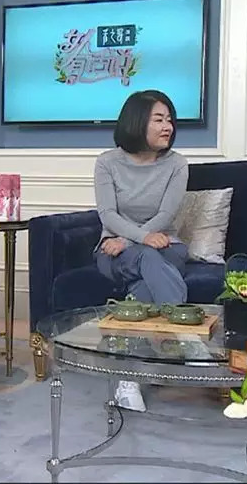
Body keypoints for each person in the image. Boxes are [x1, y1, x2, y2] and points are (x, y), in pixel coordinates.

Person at [93, 90, 190, 412]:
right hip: (115, 251)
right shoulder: (107, 162)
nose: (168, 127)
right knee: (147, 260)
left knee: (149, 266)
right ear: (136, 122)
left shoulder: (176, 164)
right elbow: (108, 214)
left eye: (169, 119)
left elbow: (166, 215)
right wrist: (137, 240)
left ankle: (126, 377)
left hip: (166, 247)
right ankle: (184, 339)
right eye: (159, 119)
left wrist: (131, 240)